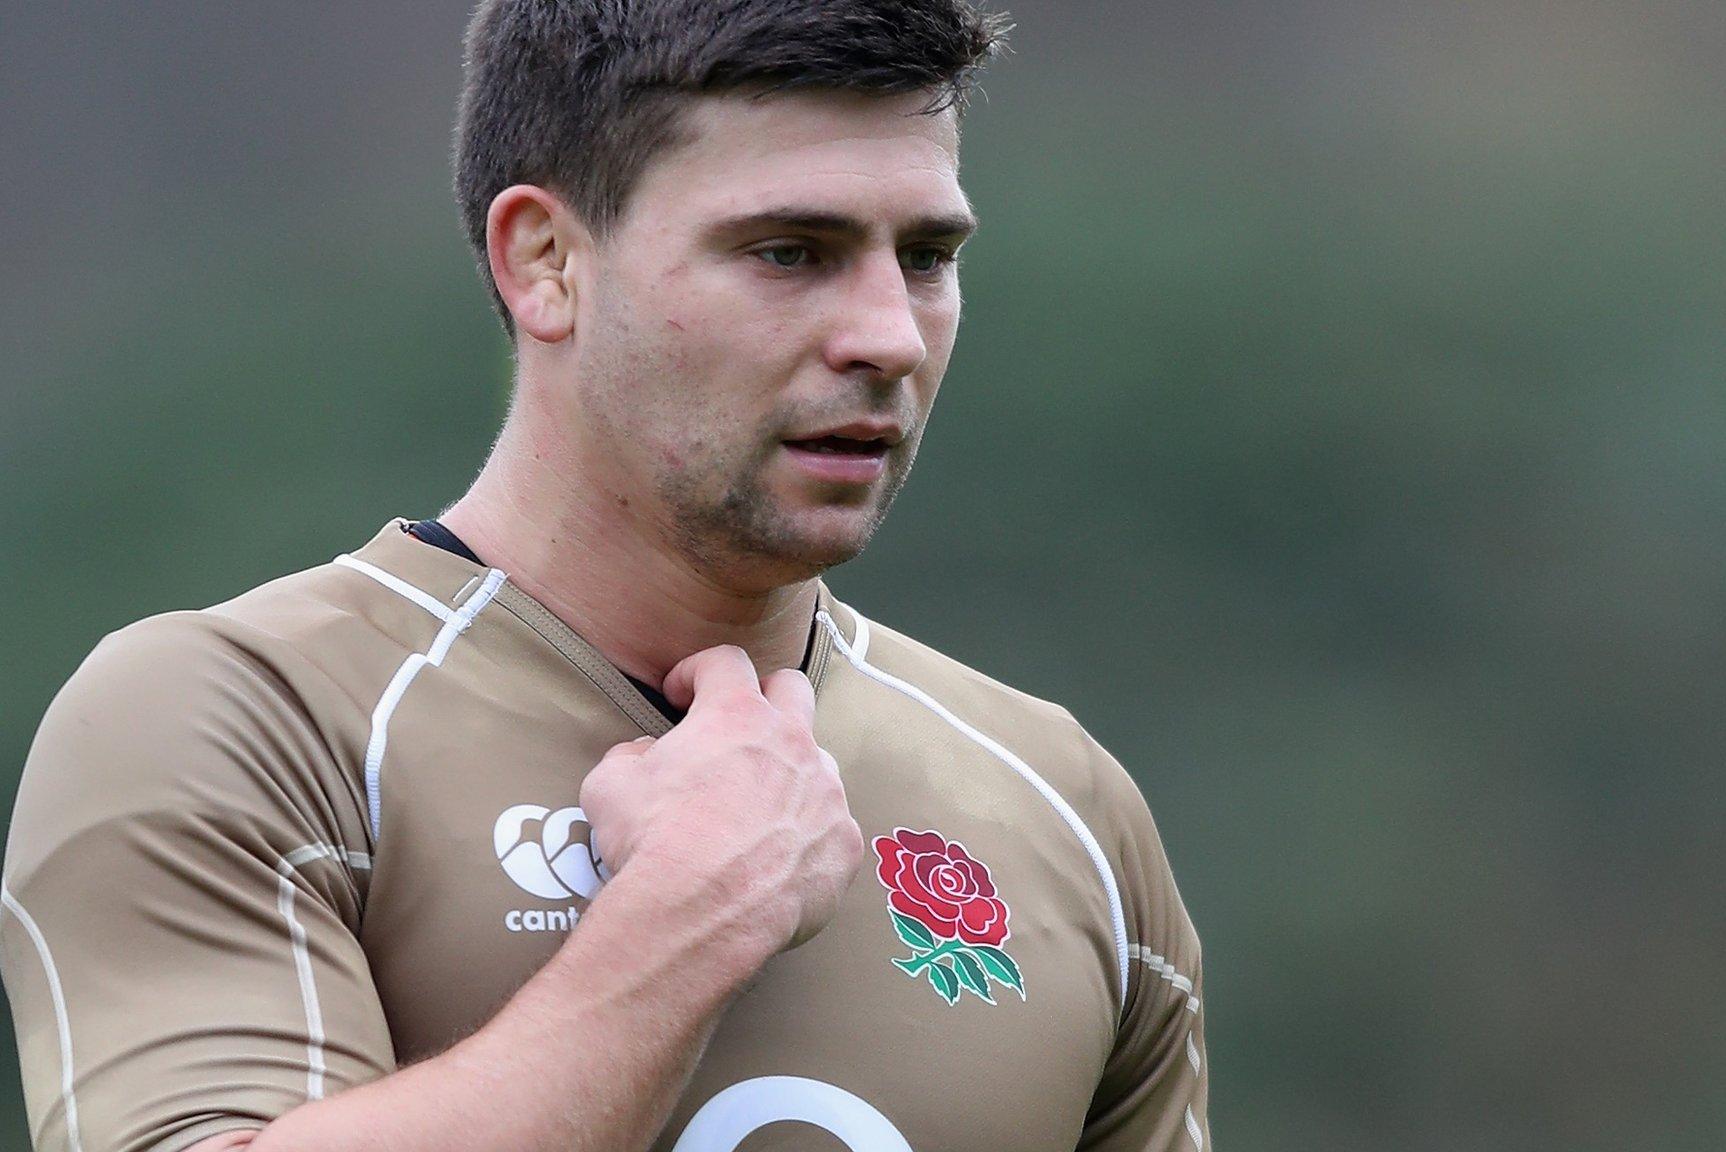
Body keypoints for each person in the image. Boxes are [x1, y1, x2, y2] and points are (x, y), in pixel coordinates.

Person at [0, 2, 1210, 1151]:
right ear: (544, 263)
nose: (889, 334)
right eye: (790, 252)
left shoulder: (1061, 803)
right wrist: (689, 921)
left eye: (928, 257)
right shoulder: (235, 719)